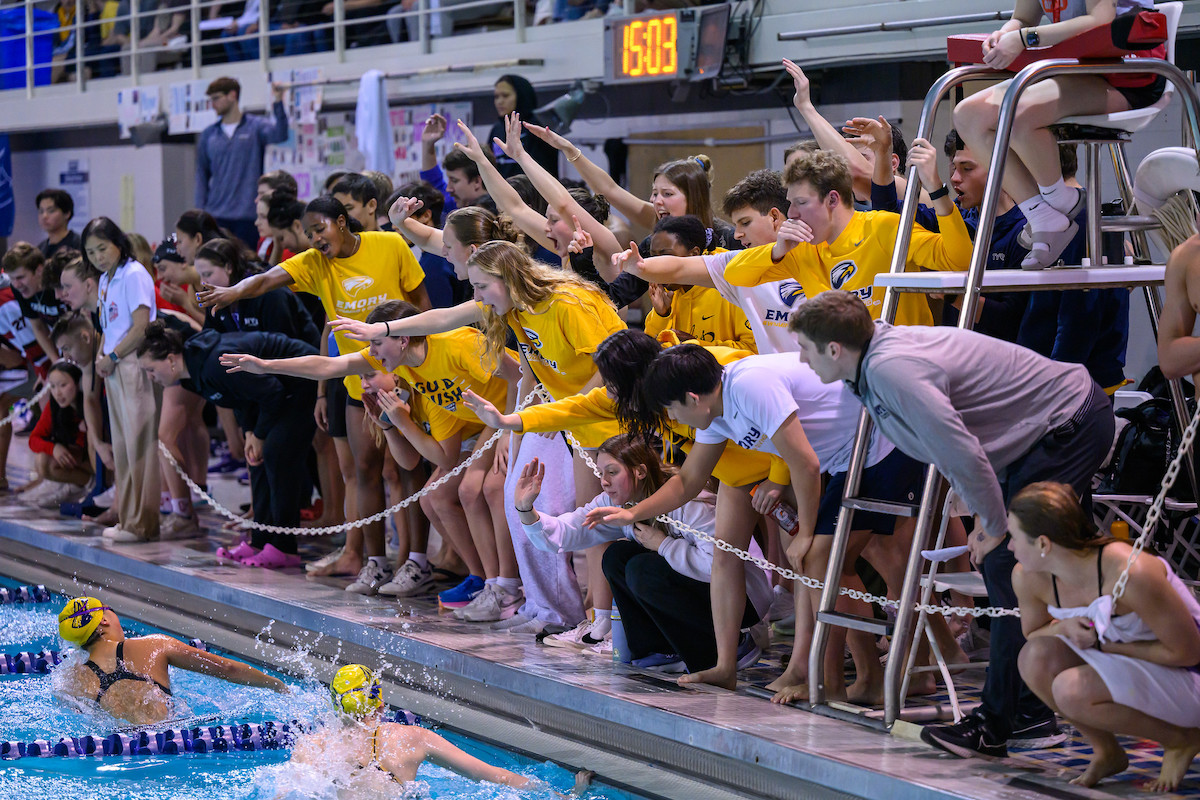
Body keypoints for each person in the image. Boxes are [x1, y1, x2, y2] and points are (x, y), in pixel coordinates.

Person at [788, 290, 1116, 757]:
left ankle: (1007, 721)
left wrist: (993, 524)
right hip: (1037, 432)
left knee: (1009, 566)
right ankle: (1027, 710)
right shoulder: (869, 364)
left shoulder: (891, 370)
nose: (801, 359)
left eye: (805, 348)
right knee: (1014, 568)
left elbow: (963, 451)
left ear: (835, 349)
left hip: (1067, 421)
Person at [587, 344, 921, 701]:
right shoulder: (716, 411)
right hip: (845, 456)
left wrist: (806, 533)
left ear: (691, 397)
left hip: (881, 444)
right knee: (825, 561)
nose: (675, 420)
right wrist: (632, 513)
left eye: (672, 409)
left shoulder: (749, 387)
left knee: (827, 559)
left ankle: (832, 678)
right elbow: (688, 481)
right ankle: (846, 678)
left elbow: (804, 463)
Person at [332, 240, 624, 636]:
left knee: (594, 523)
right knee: (528, 506)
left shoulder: (567, 303)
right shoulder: (515, 308)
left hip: (604, 419)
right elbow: (445, 319)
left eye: (481, 287)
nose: (476, 296)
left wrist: (551, 414)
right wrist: (380, 329)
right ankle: (557, 612)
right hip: (562, 418)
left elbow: (611, 367)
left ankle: (600, 623)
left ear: (507, 279)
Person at [198, 195, 428, 593]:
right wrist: (234, 292)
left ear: (342, 222)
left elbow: (423, 304)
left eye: (319, 229)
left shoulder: (388, 245)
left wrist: (428, 356)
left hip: (404, 375)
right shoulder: (314, 263)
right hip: (357, 378)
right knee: (365, 470)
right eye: (308, 234)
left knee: (406, 470)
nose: (315, 239)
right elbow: (268, 279)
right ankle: (374, 563)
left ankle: (417, 562)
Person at [221, 299, 517, 607]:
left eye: (376, 344)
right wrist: (267, 366)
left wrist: (508, 427)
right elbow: (330, 365)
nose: (371, 357)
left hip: (510, 412)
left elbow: (520, 376)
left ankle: (503, 584)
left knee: (471, 489)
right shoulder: (410, 373)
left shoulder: (455, 345)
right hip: (477, 424)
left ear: (402, 339)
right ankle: (482, 578)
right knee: (435, 496)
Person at [517, 436, 772, 674]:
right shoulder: (620, 502)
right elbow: (567, 531)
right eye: (601, 472)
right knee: (617, 556)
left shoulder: (690, 504)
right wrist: (526, 509)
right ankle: (664, 648)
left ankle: (733, 646)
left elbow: (720, 566)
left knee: (642, 569)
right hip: (706, 589)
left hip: (742, 599)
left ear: (639, 471)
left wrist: (663, 545)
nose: (604, 481)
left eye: (612, 472)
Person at [1010, 482, 1200, 791]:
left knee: (1071, 690)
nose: (1009, 547)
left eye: (1014, 537)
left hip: (1188, 673)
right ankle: (1107, 751)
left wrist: (1104, 645)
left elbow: (1189, 653)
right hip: (1132, 660)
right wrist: (1062, 627)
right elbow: (1033, 632)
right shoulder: (1028, 576)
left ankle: (1182, 740)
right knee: (1035, 658)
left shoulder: (1130, 572)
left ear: (1043, 544)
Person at [953, 0, 1166, 269]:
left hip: (1129, 74)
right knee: (968, 115)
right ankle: (1042, 215)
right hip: (1077, 69)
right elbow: (1024, 17)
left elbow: (1102, 19)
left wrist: (1025, 38)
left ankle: (1062, 200)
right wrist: (1006, 33)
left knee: (1018, 110)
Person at [720, 147, 973, 328]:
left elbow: (957, 260)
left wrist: (937, 190)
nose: (793, 214)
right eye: (790, 204)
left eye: (801, 203)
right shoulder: (802, 248)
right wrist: (776, 250)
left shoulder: (885, 228)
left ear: (832, 199)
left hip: (903, 361)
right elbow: (734, 274)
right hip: (844, 372)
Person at [138, 319, 317, 565]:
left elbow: (272, 391)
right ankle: (261, 540)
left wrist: (260, 434)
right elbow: (241, 398)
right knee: (257, 459)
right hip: (276, 392)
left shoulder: (212, 364)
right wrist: (250, 433)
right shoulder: (192, 374)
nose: (150, 377)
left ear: (170, 359)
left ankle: (285, 548)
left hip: (303, 379)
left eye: (150, 370)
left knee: (277, 456)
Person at [293, 664, 568, 791]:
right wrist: (568, 796)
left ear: (335, 706)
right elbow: (498, 778)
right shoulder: (410, 738)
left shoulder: (309, 746)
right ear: (380, 703)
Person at [614, 169, 801, 355]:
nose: (737, 234)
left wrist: (696, 347)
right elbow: (679, 268)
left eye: (745, 222)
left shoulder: (816, 259)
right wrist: (639, 267)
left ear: (774, 217)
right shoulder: (737, 264)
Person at [55, 596, 287, 725]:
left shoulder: (71, 679)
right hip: (172, 739)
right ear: (104, 620)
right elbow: (226, 668)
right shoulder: (152, 645)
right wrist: (278, 685)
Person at [84, 217, 162, 544]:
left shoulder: (134, 274)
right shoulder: (105, 279)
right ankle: (128, 520)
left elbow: (142, 326)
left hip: (135, 362)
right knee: (123, 447)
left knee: (140, 445)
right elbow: (107, 326)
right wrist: (103, 358)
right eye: (91, 252)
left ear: (118, 242)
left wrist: (113, 357)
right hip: (114, 366)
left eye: (103, 248)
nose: (98, 256)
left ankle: (143, 524)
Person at [195, 77, 289, 250]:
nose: (213, 104)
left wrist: (278, 102)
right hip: (217, 215)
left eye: (216, 98)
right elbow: (201, 175)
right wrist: (200, 213)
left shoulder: (255, 127)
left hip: (246, 215)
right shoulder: (208, 135)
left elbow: (280, 134)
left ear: (232, 95)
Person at [640, 215, 756, 352]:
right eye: (653, 256)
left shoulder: (731, 282)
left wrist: (695, 347)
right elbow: (649, 353)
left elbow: (753, 350)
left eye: (666, 255)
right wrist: (662, 314)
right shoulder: (668, 291)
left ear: (694, 253)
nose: (658, 265)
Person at [18, 361, 91, 508]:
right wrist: (54, 448)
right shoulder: (55, 406)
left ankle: (91, 487)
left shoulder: (91, 404)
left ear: (79, 383)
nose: (57, 393)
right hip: (81, 459)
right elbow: (33, 440)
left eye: (63, 385)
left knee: (47, 463)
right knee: (42, 459)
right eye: (52, 386)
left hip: (101, 465)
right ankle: (74, 486)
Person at [2, 242, 65, 365]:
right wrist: (56, 362)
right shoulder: (18, 289)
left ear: (39, 270)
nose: (16, 285)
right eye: (12, 278)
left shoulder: (59, 282)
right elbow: (38, 327)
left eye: (20, 277)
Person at [487, 75, 559, 180]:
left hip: (533, 193)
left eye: (505, 95)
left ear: (521, 96)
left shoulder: (538, 126)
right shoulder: (497, 129)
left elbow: (545, 169)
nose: (499, 101)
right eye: (496, 97)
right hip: (503, 193)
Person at [35, 189, 82, 259]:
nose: (44, 216)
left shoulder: (78, 244)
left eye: (51, 211)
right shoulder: (40, 249)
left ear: (67, 213)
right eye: (41, 211)